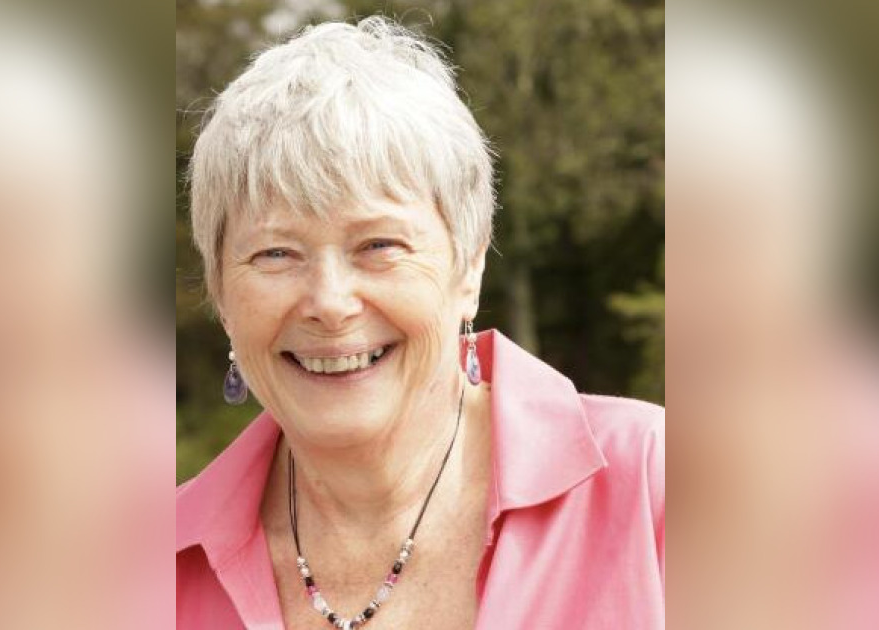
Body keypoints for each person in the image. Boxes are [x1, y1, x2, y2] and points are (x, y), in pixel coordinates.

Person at [177, 17, 664, 629]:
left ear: (470, 266)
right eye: (276, 253)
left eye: (379, 245)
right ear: (221, 291)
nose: (330, 302)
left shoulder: (660, 486)